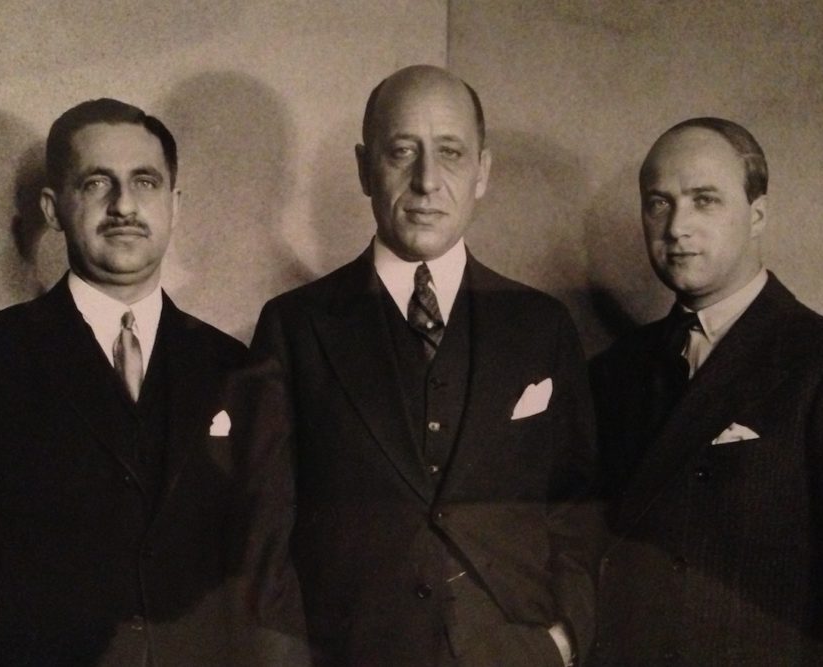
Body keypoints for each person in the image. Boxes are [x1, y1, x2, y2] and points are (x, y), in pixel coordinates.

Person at [0, 98, 303, 665]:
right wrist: (6, 630)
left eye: (145, 181)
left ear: (174, 205)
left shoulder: (232, 365)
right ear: (54, 207)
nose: (124, 206)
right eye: (95, 183)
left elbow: (263, 550)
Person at [251, 65, 600, 667]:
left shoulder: (542, 326)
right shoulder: (294, 327)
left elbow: (578, 506)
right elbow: (264, 533)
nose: (427, 181)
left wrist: (564, 642)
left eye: (451, 153)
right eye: (401, 152)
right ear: (365, 168)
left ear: (483, 171)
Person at [589, 117, 823, 665]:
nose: (676, 227)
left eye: (705, 200)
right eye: (659, 203)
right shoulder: (614, 372)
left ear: (757, 214)